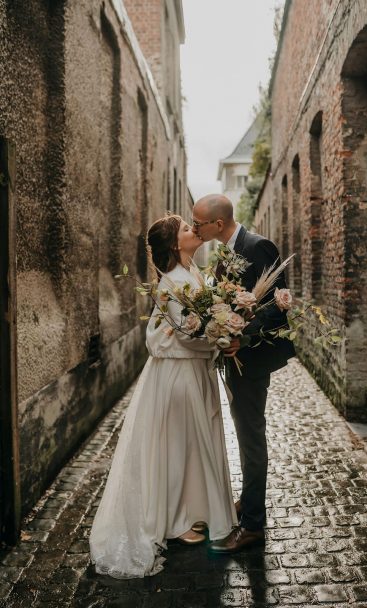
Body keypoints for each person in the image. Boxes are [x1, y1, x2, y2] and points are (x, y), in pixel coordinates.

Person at [89, 214, 237, 578]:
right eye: (187, 229)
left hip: (194, 370)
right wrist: (223, 339)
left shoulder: (195, 274)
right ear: (174, 244)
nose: (194, 230)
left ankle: (196, 509)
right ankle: (175, 520)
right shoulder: (174, 283)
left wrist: (223, 329)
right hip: (179, 373)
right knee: (181, 443)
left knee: (194, 441)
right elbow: (187, 336)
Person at [192, 194, 295, 553]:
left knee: (251, 438)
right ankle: (247, 502)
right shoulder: (225, 253)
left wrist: (242, 337)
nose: (194, 228)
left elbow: (278, 307)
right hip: (235, 361)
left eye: (198, 223)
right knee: (244, 433)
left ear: (217, 225)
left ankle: (253, 524)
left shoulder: (257, 246)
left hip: (251, 361)